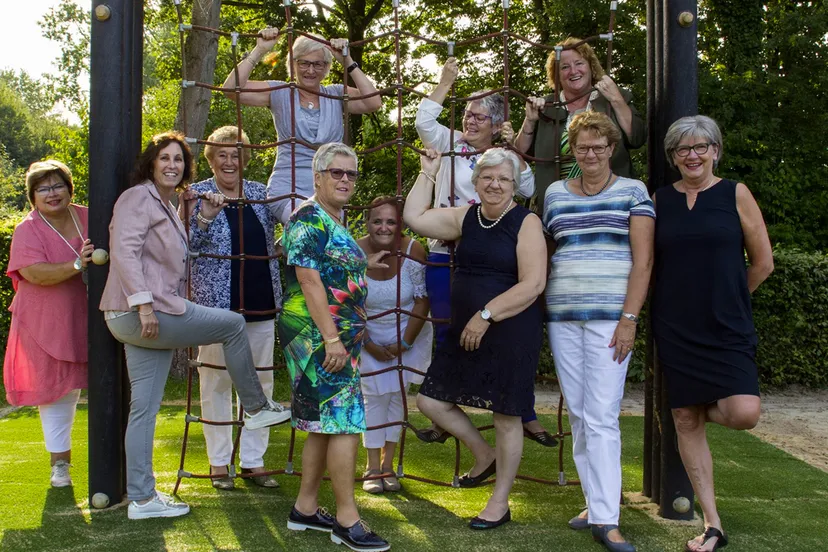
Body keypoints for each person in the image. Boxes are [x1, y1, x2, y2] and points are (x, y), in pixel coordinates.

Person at [100, 131, 290, 520]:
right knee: (232, 326)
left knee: (144, 409)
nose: (172, 166)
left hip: (141, 315)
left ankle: (141, 498)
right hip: (142, 312)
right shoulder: (139, 197)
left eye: (178, 160)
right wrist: (145, 306)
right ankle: (255, 407)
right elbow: (124, 251)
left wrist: (203, 217)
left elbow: (176, 251)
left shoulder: (169, 204)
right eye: (165, 159)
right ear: (151, 164)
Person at [404, 147, 547, 530]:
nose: (495, 184)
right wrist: (429, 173)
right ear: (476, 181)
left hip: (510, 327)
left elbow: (533, 284)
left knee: (506, 413)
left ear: (515, 185)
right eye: (487, 177)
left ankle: (499, 503)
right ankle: (484, 455)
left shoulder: (526, 221)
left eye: (503, 178)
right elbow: (414, 217)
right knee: (430, 401)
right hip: (465, 328)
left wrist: (486, 315)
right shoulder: (467, 217)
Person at [415, 57, 553, 445]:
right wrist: (445, 82)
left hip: (491, 259)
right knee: (449, 331)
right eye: (467, 115)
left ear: (494, 124)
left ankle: (522, 410)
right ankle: (444, 411)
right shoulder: (448, 144)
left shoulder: (502, 159)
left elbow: (525, 189)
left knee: (504, 334)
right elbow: (423, 121)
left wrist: (513, 147)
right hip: (447, 251)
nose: (470, 122)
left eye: (479, 117)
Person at [652, 115, 773, 552]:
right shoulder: (660, 199)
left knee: (744, 413)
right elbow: (648, 261)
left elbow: (762, 262)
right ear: (673, 157)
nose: (692, 155)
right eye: (683, 149)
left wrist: (733, 299)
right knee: (684, 418)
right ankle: (712, 523)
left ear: (715, 150)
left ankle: (702, 413)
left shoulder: (735, 193)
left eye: (701, 146)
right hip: (675, 324)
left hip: (726, 326)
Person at [541, 111, 654, 552]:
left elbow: (643, 261)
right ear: (572, 149)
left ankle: (607, 519)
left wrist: (630, 319)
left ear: (612, 149)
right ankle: (594, 502)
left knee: (603, 414)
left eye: (598, 147)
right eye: (582, 147)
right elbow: (550, 251)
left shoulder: (633, 191)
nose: (590, 154)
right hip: (562, 315)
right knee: (579, 414)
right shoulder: (553, 194)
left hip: (611, 318)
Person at [279, 142, 390, 551]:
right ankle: (347, 520)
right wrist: (331, 339)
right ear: (318, 177)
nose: (346, 180)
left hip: (335, 338)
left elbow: (333, 267)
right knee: (345, 422)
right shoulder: (306, 217)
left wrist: (362, 263)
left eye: (351, 174)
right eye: (337, 173)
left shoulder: (333, 218)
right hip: (319, 337)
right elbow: (308, 281)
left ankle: (305, 508)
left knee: (323, 427)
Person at [181, 126, 284, 490]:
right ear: (210, 159)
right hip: (217, 309)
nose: (229, 160)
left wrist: (285, 248)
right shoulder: (194, 194)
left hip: (261, 303)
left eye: (236, 154)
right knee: (216, 384)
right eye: (221, 154)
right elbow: (185, 245)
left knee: (262, 383)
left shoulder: (260, 193)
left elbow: (286, 226)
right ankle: (219, 463)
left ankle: (253, 462)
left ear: (245, 159)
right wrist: (207, 215)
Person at [223, 28, 382, 223]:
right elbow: (231, 89)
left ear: (326, 67)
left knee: (335, 245)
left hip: (329, 190)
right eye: (304, 63)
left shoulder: (335, 94)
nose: (310, 70)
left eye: (318, 64)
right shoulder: (280, 92)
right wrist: (259, 50)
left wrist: (347, 60)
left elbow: (374, 102)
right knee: (312, 227)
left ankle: (286, 245)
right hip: (288, 187)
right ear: (293, 64)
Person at [3, 160, 93, 488]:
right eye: (43, 188)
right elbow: (33, 273)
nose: (52, 193)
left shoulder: (87, 215)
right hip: (44, 321)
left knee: (109, 382)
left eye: (57, 185)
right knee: (55, 391)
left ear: (70, 188)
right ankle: (60, 465)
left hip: (90, 313)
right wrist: (75, 263)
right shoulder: (28, 228)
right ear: (33, 196)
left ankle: (119, 460)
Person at [356, 196, 432, 494]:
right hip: (365, 332)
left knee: (398, 397)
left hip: (407, 331)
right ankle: (371, 466)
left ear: (400, 224)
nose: (384, 227)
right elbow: (346, 303)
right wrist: (369, 343)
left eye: (391, 221)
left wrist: (404, 342)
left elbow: (423, 299)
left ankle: (389, 465)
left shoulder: (414, 250)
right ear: (367, 223)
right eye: (378, 221)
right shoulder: (355, 251)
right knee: (372, 396)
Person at [516, 37, 646, 205]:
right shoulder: (545, 106)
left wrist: (616, 100)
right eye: (564, 67)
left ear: (591, 67)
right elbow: (519, 155)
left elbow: (637, 139)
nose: (573, 71)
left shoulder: (612, 96)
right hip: (558, 203)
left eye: (579, 63)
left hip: (613, 199)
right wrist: (530, 120)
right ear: (556, 75)